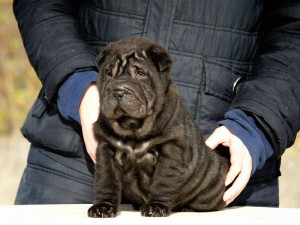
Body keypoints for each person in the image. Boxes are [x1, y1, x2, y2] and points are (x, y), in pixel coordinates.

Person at [13, 0, 300, 207]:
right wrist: (79, 86)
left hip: (220, 169)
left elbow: (295, 29)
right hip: (75, 160)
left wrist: (257, 121)